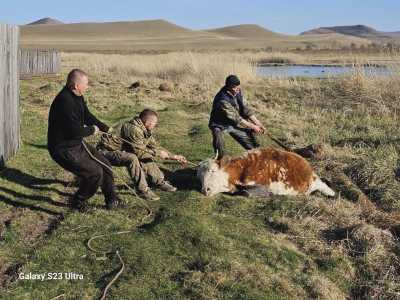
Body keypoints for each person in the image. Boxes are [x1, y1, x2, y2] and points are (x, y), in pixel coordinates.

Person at [47, 69, 125, 212]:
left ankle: (112, 200)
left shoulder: (77, 96)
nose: (87, 87)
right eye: (86, 84)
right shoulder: (65, 102)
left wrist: (105, 128)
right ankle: (78, 202)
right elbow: (74, 131)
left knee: (106, 165)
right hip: (63, 148)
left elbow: (87, 115)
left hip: (75, 143)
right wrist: (92, 130)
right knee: (94, 173)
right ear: (76, 85)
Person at [98, 109, 186, 201]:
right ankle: (142, 191)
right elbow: (140, 153)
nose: (155, 125)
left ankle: (159, 182)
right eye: (154, 122)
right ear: (148, 122)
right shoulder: (133, 129)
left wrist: (174, 156)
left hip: (120, 150)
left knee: (146, 154)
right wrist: (158, 154)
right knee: (132, 158)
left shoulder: (144, 129)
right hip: (105, 152)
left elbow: (155, 147)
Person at [209, 75, 266, 159]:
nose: (237, 90)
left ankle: (257, 157)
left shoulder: (238, 91)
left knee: (251, 144)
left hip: (232, 123)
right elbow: (237, 118)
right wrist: (253, 126)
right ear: (228, 87)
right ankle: (220, 161)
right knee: (219, 144)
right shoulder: (222, 100)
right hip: (219, 124)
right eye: (235, 88)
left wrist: (258, 123)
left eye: (238, 88)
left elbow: (246, 109)